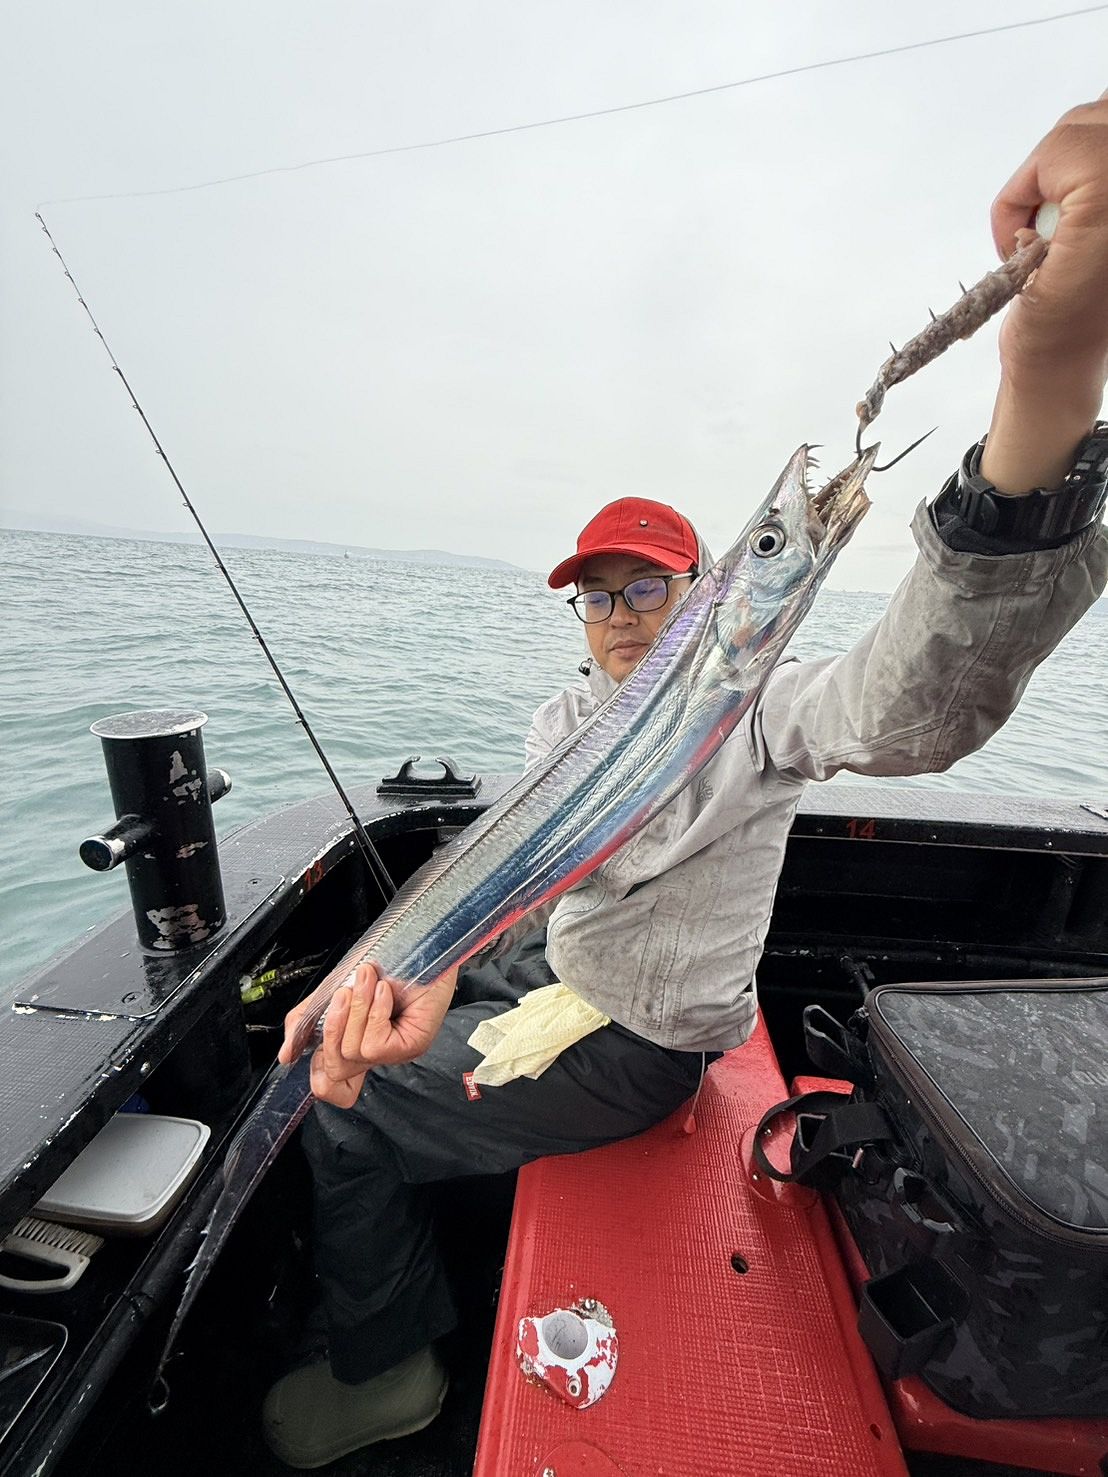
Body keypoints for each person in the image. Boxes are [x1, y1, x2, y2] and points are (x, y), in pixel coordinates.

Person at [261, 99, 1108, 1468]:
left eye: (645, 589)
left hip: (639, 1045)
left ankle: (389, 1368)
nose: (616, 619)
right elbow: (519, 869)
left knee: (333, 1108)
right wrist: (403, 963)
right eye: (594, 598)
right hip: (559, 964)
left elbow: (913, 703)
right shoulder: (565, 719)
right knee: (330, 1023)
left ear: (706, 594)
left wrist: (1045, 384)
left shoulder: (760, 706)